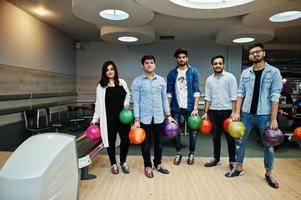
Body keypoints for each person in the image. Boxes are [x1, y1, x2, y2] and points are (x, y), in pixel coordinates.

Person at [226, 43, 283, 189]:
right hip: (246, 114)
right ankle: (238, 169)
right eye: (252, 53)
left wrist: (273, 118)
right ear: (250, 56)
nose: (255, 54)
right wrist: (237, 111)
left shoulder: (274, 72)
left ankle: (269, 173)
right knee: (239, 142)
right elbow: (240, 93)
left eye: (258, 52)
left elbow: (275, 95)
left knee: (268, 145)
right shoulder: (246, 73)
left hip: (264, 115)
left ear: (263, 53)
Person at [131, 55, 175, 178]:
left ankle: (158, 164)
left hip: (159, 117)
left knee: (159, 143)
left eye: (151, 62)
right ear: (142, 66)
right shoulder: (137, 82)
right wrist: (136, 120)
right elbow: (136, 102)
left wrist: (169, 115)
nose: (149, 64)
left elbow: (164, 100)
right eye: (146, 62)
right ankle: (147, 166)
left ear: (155, 65)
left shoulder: (161, 80)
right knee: (145, 144)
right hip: (144, 118)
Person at [91, 60, 131, 175]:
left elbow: (128, 94)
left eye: (111, 69)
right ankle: (113, 163)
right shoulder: (101, 85)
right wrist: (95, 118)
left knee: (126, 140)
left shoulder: (122, 82)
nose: (110, 71)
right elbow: (98, 102)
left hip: (123, 117)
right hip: (108, 118)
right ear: (104, 72)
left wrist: (126, 104)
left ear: (115, 70)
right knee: (110, 141)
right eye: (107, 70)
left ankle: (122, 161)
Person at [201, 55, 237, 170]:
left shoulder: (230, 77)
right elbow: (207, 97)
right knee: (215, 138)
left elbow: (234, 97)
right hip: (214, 112)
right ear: (212, 65)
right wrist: (206, 112)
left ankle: (232, 161)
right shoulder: (209, 79)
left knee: (230, 138)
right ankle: (216, 159)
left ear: (223, 65)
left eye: (220, 63)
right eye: (215, 63)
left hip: (228, 113)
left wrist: (234, 112)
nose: (218, 65)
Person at [167, 48, 201, 165]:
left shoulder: (194, 72)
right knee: (175, 131)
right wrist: (168, 111)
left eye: (183, 57)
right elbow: (169, 93)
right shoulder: (172, 74)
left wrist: (196, 108)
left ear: (187, 58)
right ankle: (178, 153)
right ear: (177, 59)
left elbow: (197, 91)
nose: (181, 59)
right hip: (176, 107)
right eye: (179, 57)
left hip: (190, 107)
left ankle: (191, 153)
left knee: (193, 131)